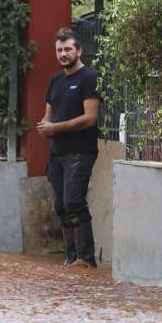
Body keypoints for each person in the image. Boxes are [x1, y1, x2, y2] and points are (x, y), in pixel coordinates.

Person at [37, 27, 101, 268]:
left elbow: (90, 118)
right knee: (61, 205)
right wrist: (45, 128)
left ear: (79, 50)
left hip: (80, 152)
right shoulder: (55, 80)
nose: (63, 54)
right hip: (57, 153)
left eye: (67, 49)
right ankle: (70, 257)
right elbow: (48, 117)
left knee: (74, 201)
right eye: (59, 50)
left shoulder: (90, 78)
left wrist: (56, 128)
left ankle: (86, 259)